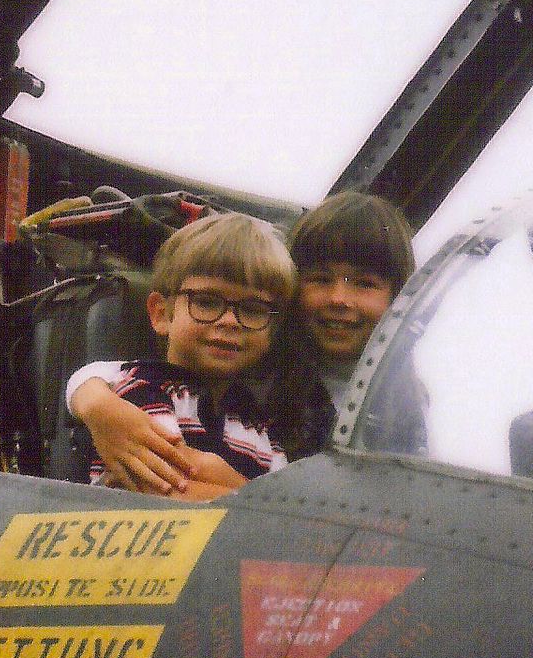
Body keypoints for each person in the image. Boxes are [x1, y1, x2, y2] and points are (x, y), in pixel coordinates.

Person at [67, 191, 415, 495]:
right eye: (320, 279)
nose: (339, 299)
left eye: (365, 283)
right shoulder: (257, 374)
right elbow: (163, 473)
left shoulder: (401, 406)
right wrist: (98, 404)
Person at [69, 212, 296, 500]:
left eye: (253, 309)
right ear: (161, 313)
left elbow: (287, 510)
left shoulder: (259, 425)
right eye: (206, 302)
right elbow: (165, 488)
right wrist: (256, 497)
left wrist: (220, 478)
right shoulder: (142, 389)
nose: (230, 321)